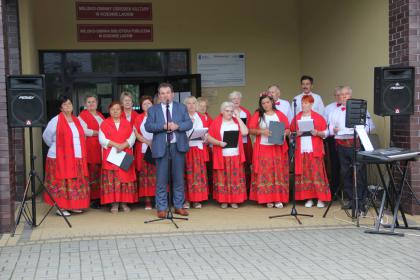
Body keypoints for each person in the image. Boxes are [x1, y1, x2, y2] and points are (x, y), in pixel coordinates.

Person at [145, 83, 193, 218]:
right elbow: (148, 126)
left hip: (177, 146)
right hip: (162, 147)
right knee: (161, 179)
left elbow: (189, 123)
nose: (165, 95)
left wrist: (178, 126)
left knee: (178, 178)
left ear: (172, 94)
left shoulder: (181, 107)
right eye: (162, 93)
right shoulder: (153, 110)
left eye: (167, 92)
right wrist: (162, 126)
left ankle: (178, 206)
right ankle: (161, 207)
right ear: (159, 96)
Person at [328, 86, 375, 213]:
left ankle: (361, 200)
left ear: (350, 95)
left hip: (356, 144)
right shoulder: (335, 111)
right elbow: (330, 129)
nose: (343, 96)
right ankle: (351, 199)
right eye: (341, 94)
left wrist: (358, 130)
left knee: (359, 173)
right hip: (341, 145)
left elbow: (371, 126)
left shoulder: (360, 109)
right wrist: (334, 130)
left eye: (346, 94)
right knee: (345, 173)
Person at [42, 95, 90, 216]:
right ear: (60, 108)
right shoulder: (56, 120)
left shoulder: (76, 119)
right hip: (59, 157)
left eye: (70, 104)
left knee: (74, 182)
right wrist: (57, 146)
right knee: (62, 182)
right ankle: (61, 207)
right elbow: (46, 137)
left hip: (76, 156)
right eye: (65, 104)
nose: (68, 106)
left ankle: (73, 206)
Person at [249, 93, 290, 208]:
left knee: (277, 172)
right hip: (263, 147)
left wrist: (284, 132)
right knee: (265, 173)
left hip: (277, 147)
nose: (266, 105)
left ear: (272, 102)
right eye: (263, 103)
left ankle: (278, 199)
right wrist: (262, 131)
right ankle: (268, 199)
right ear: (261, 105)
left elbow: (288, 129)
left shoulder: (279, 114)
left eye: (268, 102)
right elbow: (250, 129)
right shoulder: (258, 114)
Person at [290, 95, 331, 208]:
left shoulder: (318, 117)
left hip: (314, 150)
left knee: (317, 174)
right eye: (302, 103)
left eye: (306, 103)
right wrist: (295, 134)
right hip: (301, 150)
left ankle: (320, 198)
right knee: (305, 174)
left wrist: (317, 133)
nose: (304, 105)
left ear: (312, 104)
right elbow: (290, 133)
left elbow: (326, 133)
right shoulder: (296, 117)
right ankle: (308, 198)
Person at [207, 101, 248, 208]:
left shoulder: (236, 121)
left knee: (235, 179)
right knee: (222, 179)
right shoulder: (216, 122)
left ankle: (234, 200)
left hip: (235, 155)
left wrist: (238, 118)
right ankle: (224, 200)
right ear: (222, 111)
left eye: (231, 111)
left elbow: (245, 132)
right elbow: (208, 137)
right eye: (227, 111)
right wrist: (219, 143)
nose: (229, 113)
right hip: (222, 155)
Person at [99, 101, 137, 213]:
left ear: (121, 111)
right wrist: (116, 145)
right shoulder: (104, 123)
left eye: (118, 109)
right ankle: (114, 204)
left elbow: (132, 138)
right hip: (111, 156)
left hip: (125, 154)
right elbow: (102, 139)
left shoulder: (127, 123)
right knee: (113, 180)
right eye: (112, 109)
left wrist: (124, 145)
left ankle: (124, 204)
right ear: (109, 111)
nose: (115, 111)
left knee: (125, 180)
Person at [78, 94, 105, 209]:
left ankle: (100, 197)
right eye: (89, 102)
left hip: (101, 147)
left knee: (100, 172)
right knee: (92, 171)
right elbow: (84, 131)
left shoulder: (100, 115)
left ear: (97, 103)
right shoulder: (82, 115)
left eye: (93, 102)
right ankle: (92, 199)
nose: (91, 104)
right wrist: (99, 133)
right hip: (90, 147)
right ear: (85, 104)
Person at [183, 96, 210, 209]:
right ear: (185, 105)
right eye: (189, 103)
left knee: (197, 175)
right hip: (187, 149)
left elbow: (206, 132)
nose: (192, 105)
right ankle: (187, 200)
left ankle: (197, 200)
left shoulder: (201, 117)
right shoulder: (182, 117)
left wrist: (205, 137)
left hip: (198, 149)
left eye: (194, 103)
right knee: (187, 175)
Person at [133, 96, 156, 210]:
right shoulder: (138, 118)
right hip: (143, 149)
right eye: (144, 104)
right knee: (145, 176)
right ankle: (147, 201)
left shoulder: (157, 116)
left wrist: (154, 143)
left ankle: (158, 199)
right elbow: (136, 133)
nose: (147, 106)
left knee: (157, 175)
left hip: (156, 148)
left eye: (149, 104)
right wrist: (148, 142)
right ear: (141, 106)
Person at [229, 91, 253, 189]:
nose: (236, 100)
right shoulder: (227, 111)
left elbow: (250, 127)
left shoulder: (245, 112)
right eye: (234, 99)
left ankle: (246, 188)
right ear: (230, 100)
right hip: (233, 143)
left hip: (244, 142)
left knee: (246, 165)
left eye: (238, 98)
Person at [323, 86, 343, 195]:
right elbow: (324, 124)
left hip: (348, 140)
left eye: (342, 95)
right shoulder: (328, 108)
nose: (340, 97)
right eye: (337, 95)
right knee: (335, 165)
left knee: (346, 165)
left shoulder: (350, 107)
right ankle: (335, 191)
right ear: (334, 96)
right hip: (333, 139)